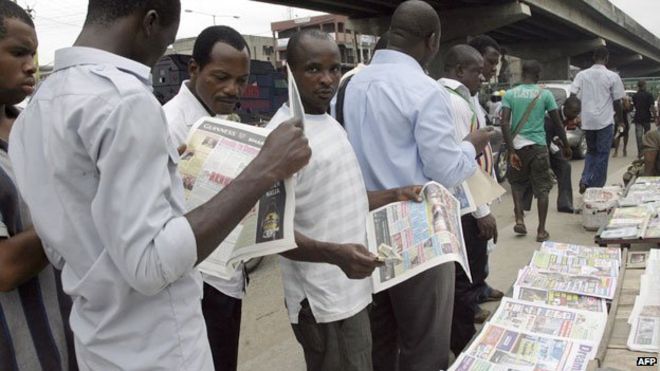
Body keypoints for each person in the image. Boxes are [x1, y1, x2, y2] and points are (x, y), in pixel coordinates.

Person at [8, 1, 312, 369]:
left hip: (98, 344)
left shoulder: (39, 106)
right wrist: (265, 169)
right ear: (150, 23)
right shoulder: (124, 101)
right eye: (167, 43)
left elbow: (65, 244)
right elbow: (151, 264)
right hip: (160, 350)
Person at [342, 1, 493, 370]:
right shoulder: (426, 91)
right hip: (418, 236)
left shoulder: (348, 86)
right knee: (425, 348)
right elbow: (444, 170)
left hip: (363, 230)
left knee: (380, 344)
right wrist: (470, 145)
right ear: (433, 41)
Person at [268, 29, 420, 371]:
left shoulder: (330, 124)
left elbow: (345, 199)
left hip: (353, 293)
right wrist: (334, 255)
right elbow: (269, 235)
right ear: (288, 71)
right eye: (313, 69)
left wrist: (396, 194)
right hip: (324, 304)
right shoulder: (282, 137)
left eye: (334, 69)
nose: (327, 79)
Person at [163, 26, 251, 371]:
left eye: (241, 81)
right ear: (194, 70)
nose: (232, 89)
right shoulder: (170, 126)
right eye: (221, 77)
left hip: (228, 277)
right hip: (197, 286)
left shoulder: (221, 119)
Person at [0, 2, 77, 369]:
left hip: (73, 338)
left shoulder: (37, 129)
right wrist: (88, 197)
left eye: (33, 52)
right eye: (18, 53)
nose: (31, 64)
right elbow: (5, 268)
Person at [438, 44, 496, 354]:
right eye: (476, 71)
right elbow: (462, 161)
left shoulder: (450, 96)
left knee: (460, 281)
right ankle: (462, 348)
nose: (482, 77)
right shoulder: (455, 102)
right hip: (464, 207)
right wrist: (481, 211)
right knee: (464, 283)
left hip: (460, 203)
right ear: (459, 70)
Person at [501, 60, 571, 242]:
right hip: (539, 148)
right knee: (543, 189)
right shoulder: (545, 94)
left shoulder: (510, 94)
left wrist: (511, 149)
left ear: (522, 74)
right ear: (538, 76)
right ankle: (541, 230)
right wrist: (566, 144)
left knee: (516, 184)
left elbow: (504, 123)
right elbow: (557, 122)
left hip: (517, 148)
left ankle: (519, 219)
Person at [467, 34, 505, 318]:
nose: (493, 69)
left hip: (482, 186)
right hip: (471, 192)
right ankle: (470, 300)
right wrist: (480, 207)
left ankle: (480, 286)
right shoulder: (458, 100)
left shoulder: (474, 97)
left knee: (483, 246)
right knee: (474, 245)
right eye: (490, 62)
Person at [571, 46, 625, 193]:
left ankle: (585, 179)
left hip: (588, 122)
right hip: (605, 122)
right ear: (607, 59)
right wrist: (621, 120)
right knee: (602, 154)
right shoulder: (612, 76)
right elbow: (617, 101)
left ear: (593, 58)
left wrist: (576, 114)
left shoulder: (582, 75)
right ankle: (596, 187)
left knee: (591, 152)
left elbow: (573, 95)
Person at [547, 96, 581, 213]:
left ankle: (565, 203)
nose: (575, 115)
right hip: (544, 143)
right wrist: (563, 146)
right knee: (563, 166)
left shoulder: (566, 115)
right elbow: (549, 137)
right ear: (565, 108)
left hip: (552, 142)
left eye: (577, 112)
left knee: (565, 167)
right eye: (574, 112)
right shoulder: (553, 115)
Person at [632, 80, 656, 157]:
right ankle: (647, 152)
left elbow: (635, 105)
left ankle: (640, 152)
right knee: (647, 136)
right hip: (646, 117)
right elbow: (652, 107)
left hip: (638, 117)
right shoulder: (649, 95)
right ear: (644, 85)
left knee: (639, 136)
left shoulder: (635, 96)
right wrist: (655, 116)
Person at [613, 93, 632, 158]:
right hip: (618, 120)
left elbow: (628, 108)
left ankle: (624, 148)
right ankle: (616, 151)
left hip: (624, 119)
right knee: (617, 136)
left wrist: (626, 101)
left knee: (625, 135)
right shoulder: (616, 99)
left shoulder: (625, 98)